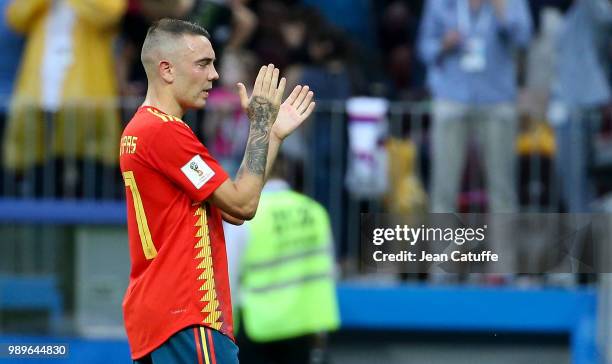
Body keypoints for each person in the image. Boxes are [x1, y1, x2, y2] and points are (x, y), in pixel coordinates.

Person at [119, 18, 315, 363]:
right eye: (203, 64)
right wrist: (260, 125)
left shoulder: (144, 129)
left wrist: (270, 135)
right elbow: (242, 204)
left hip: (161, 318)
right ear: (166, 69)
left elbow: (231, 206)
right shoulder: (166, 133)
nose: (214, 75)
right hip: (188, 315)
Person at [418, 0, 532, 213]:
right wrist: (443, 44)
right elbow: (424, 49)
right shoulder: (440, 3)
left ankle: (504, 248)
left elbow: (523, 39)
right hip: (451, 99)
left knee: (503, 190)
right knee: (443, 190)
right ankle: (443, 247)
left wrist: (502, 11)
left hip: (497, 101)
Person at [224, 155, 339, 364]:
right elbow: (327, 272)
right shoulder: (315, 211)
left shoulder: (244, 217)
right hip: (304, 324)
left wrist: (224, 330)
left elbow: (228, 274)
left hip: (259, 326)